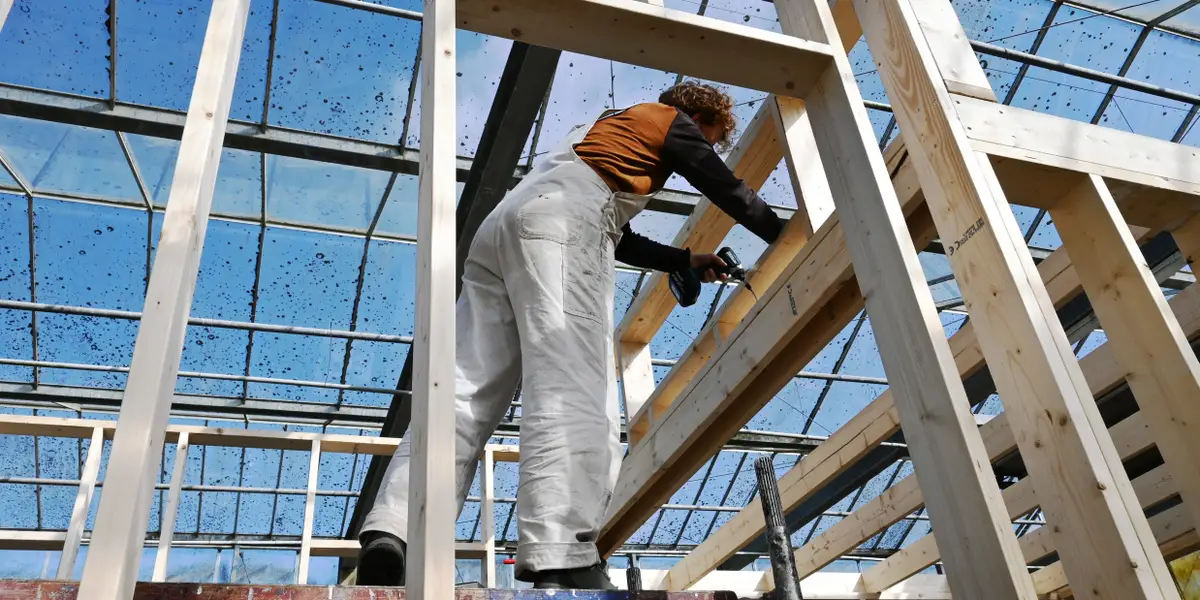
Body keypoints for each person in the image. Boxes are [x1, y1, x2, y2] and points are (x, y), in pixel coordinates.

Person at [355, 81, 785, 589]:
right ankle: (560, 552)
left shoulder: (601, 130)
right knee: (573, 383)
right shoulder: (669, 120)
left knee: (464, 392)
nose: (704, 146)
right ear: (694, 116)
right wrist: (784, 233)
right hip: (562, 228)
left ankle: (396, 529)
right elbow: (723, 185)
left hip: (503, 232)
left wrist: (684, 260)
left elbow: (617, 233)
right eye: (709, 137)